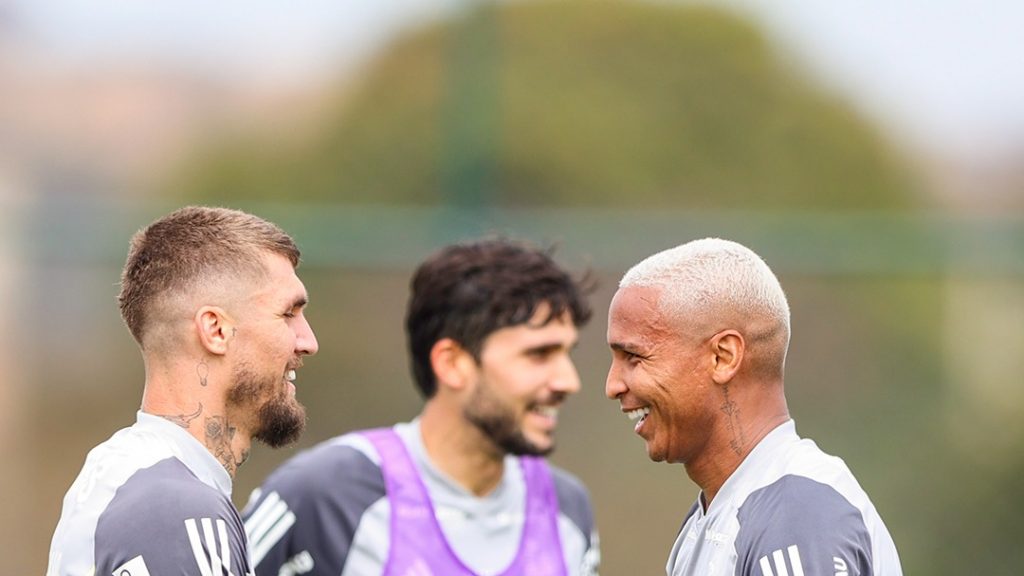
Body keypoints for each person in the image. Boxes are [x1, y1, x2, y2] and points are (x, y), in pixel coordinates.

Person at [242, 238, 600, 576]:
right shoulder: (325, 496)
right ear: (452, 363)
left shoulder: (567, 508)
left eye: (567, 354)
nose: (568, 381)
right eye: (538, 354)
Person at [47, 206, 319, 576]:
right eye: (288, 314)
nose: (308, 341)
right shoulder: (175, 509)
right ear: (216, 330)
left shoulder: (136, 479)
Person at [605, 238, 902, 576]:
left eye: (634, 357)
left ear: (723, 357)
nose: (612, 385)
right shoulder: (716, 515)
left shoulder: (795, 518)